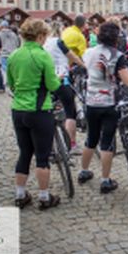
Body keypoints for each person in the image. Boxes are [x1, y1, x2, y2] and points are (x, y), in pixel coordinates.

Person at [77, 22, 128, 193]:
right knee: (107, 142)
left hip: (91, 101)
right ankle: (105, 180)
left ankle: (83, 171)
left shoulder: (88, 52)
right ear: (116, 37)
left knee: (91, 138)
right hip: (109, 102)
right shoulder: (117, 55)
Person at [7, 18, 62, 210]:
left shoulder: (14, 55)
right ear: (40, 36)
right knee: (42, 156)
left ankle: (20, 195)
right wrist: (59, 79)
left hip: (18, 110)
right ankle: (45, 197)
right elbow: (52, 85)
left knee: (24, 153)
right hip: (39, 110)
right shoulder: (42, 55)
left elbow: (11, 84)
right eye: (45, 36)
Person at [44, 22, 85, 155]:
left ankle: (49, 147)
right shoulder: (58, 42)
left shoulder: (42, 44)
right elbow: (72, 56)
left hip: (47, 81)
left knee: (47, 112)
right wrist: (83, 65)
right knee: (70, 112)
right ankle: (72, 144)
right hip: (62, 80)